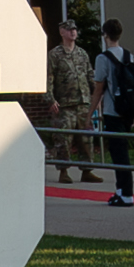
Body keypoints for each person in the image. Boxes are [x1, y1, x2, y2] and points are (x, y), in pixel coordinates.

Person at [93, 20, 134, 207]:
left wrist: (88, 113)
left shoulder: (102, 59)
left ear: (105, 35)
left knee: (119, 153)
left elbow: (99, 89)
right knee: (121, 151)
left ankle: (126, 194)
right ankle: (121, 190)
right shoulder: (128, 56)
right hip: (127, 111)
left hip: (112, 111)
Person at [43, 15, 93, 184]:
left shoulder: (82, 54)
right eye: (69, 30)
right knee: (63, 139)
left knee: (86, 138)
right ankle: (63, 171)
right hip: (64, 104)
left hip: (83, 102)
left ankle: (87, 170)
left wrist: (97, 95)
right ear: (62, 32)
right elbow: (47, 78)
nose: (73, 32)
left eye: (75, 30)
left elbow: (90, 75)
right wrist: (50, 99)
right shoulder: (55, 55)